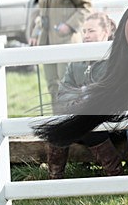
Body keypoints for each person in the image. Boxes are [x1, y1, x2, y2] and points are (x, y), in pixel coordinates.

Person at [47, 12, 123, 178]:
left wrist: (86, 97)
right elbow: (63, 93)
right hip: (82, 116)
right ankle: (54, 178)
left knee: (89, 124)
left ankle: (115, 174)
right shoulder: (77, 59)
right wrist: (79, 100)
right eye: (84, 31)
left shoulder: (117, 58)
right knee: (59, 123)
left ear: (106, 32)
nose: (86, 36)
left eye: (91, 31)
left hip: (113, 121)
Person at [29, 0, 92, 102]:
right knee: (52, 85)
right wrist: (35, 33)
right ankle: (57, 118)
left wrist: (69, 25)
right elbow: (42, 15)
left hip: (67, 42)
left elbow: (86, 6)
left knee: (68, 84)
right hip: (47, 43)